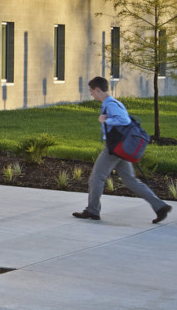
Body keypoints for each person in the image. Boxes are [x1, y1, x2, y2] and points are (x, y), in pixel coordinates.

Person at [73, 76, 170, 224]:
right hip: (120, 148)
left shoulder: (110, 104)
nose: (91, 94)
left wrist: (106, 120)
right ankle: (160, 206)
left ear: (98, 90)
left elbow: (124, 120)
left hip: (113, 148)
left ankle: (92, 210)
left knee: (96, 178)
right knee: (130, 180)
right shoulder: (113, 103)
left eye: (91, 91)